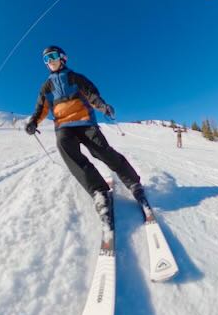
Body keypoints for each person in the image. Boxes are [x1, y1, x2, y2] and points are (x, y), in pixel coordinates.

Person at [24, 45, 153, 225]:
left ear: (63, 58)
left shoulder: (76, 78)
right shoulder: (46, 87)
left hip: (85, 122)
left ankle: (133, 183)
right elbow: (40, 109)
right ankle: (98, 191)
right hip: (64, 126)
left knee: (102, 151)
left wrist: (103, 107)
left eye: (52, 56)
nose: (50, 61)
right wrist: (33, 122)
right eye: (46, 59)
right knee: (65, 147)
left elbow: (92, 96)